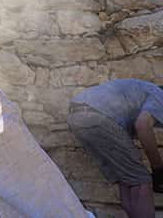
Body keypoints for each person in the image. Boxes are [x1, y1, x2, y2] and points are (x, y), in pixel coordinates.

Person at [68, 79, 163, 217]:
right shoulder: (159, 94)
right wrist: (158, 169)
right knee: (142, 180)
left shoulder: (140, 95)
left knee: (125, 178)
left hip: (76, 116)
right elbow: (142, 125)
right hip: (98, 115)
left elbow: (132, 133)